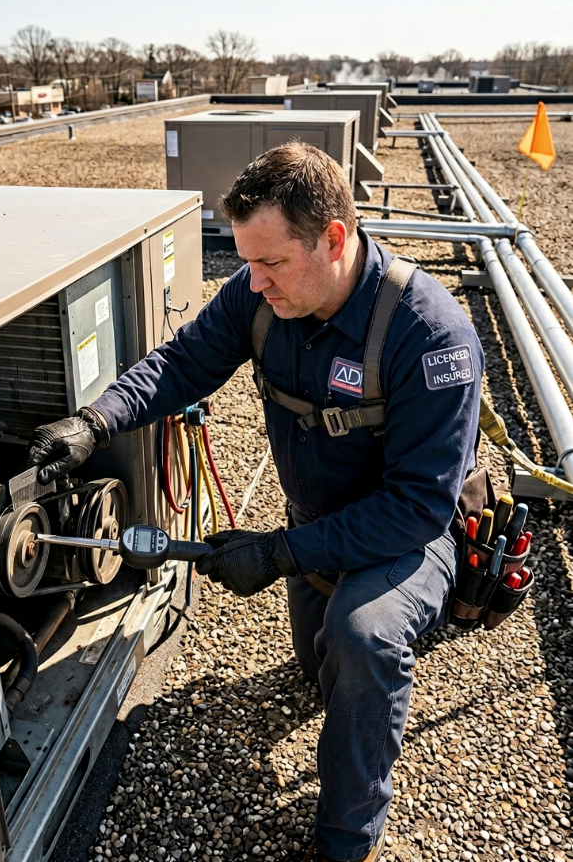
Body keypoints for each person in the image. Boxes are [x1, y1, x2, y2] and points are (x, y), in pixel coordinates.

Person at [28, 142, 484, 862]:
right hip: (315, 522)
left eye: (270, 262)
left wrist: (276, 554)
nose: (253, 281)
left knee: (361, 639)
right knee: (317, 669)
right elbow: (183, 361)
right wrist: (97, 421)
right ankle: (338, 669)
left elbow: (415, 509)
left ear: (333, 238)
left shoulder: (427, 336)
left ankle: (347, 838)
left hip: (404, 537)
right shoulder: (261, 293)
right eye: (246, 260)